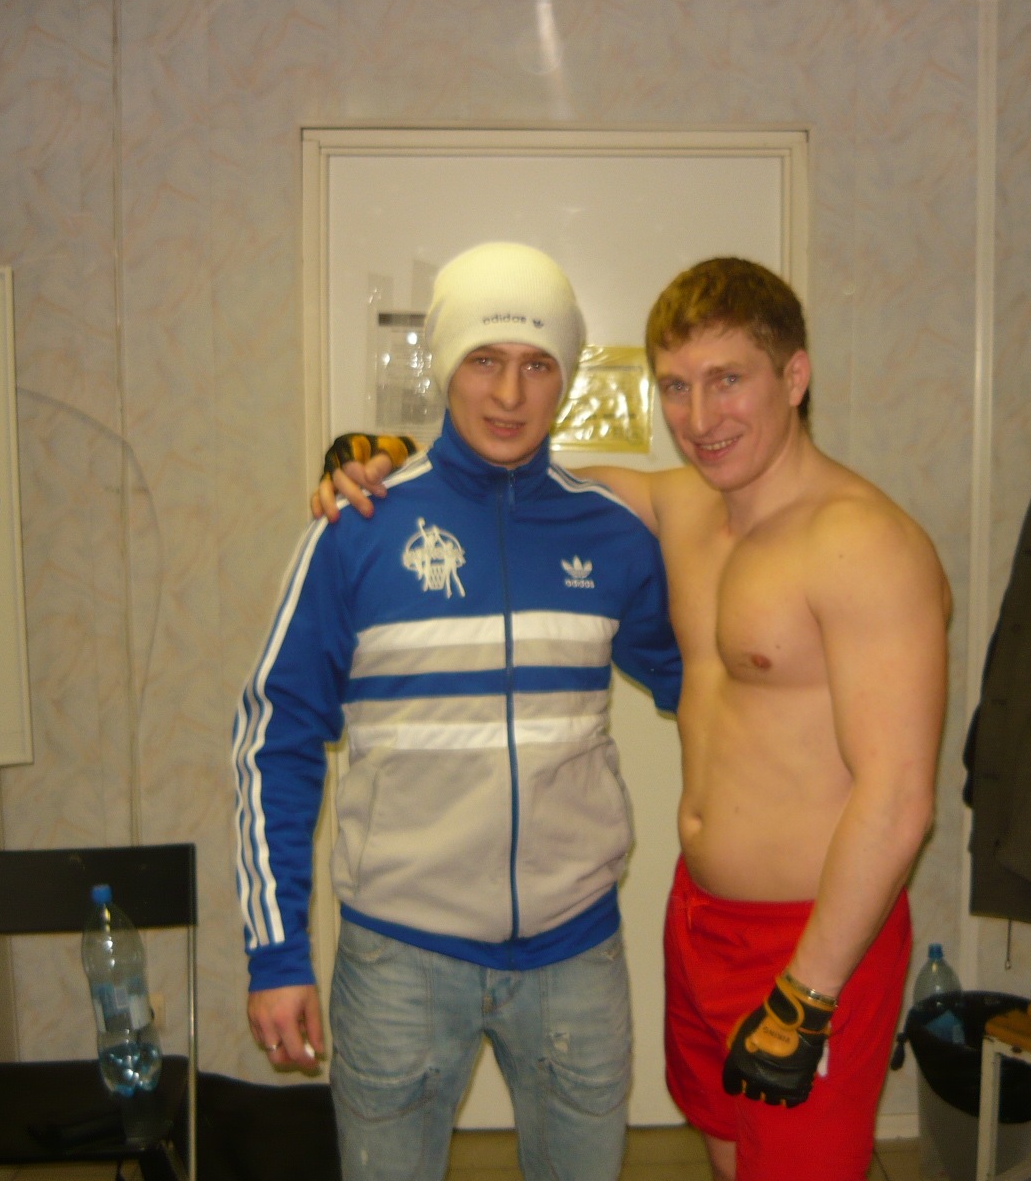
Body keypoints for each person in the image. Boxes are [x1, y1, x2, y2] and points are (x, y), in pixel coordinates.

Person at [323, 257, 948, 1181]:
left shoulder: (865, 544)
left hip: (812, 939)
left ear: (795, 376)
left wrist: (808, 993)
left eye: (728, 380)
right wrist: (387, 456)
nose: (699, 418)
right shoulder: (681, 504)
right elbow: (512, 479)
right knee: (730, 1154)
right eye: (676, 387)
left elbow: (898, 800)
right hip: (699, 920)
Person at [236, 242, 683, 1181]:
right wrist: (277, 955)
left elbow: (710, 688)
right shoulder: (355, 530)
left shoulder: (614, 535)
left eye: (537, 364)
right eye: (484, 359)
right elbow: (276, 740)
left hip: (575, 953)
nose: (510, 394)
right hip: (399, 960)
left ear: (565, 377)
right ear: (446, 367)